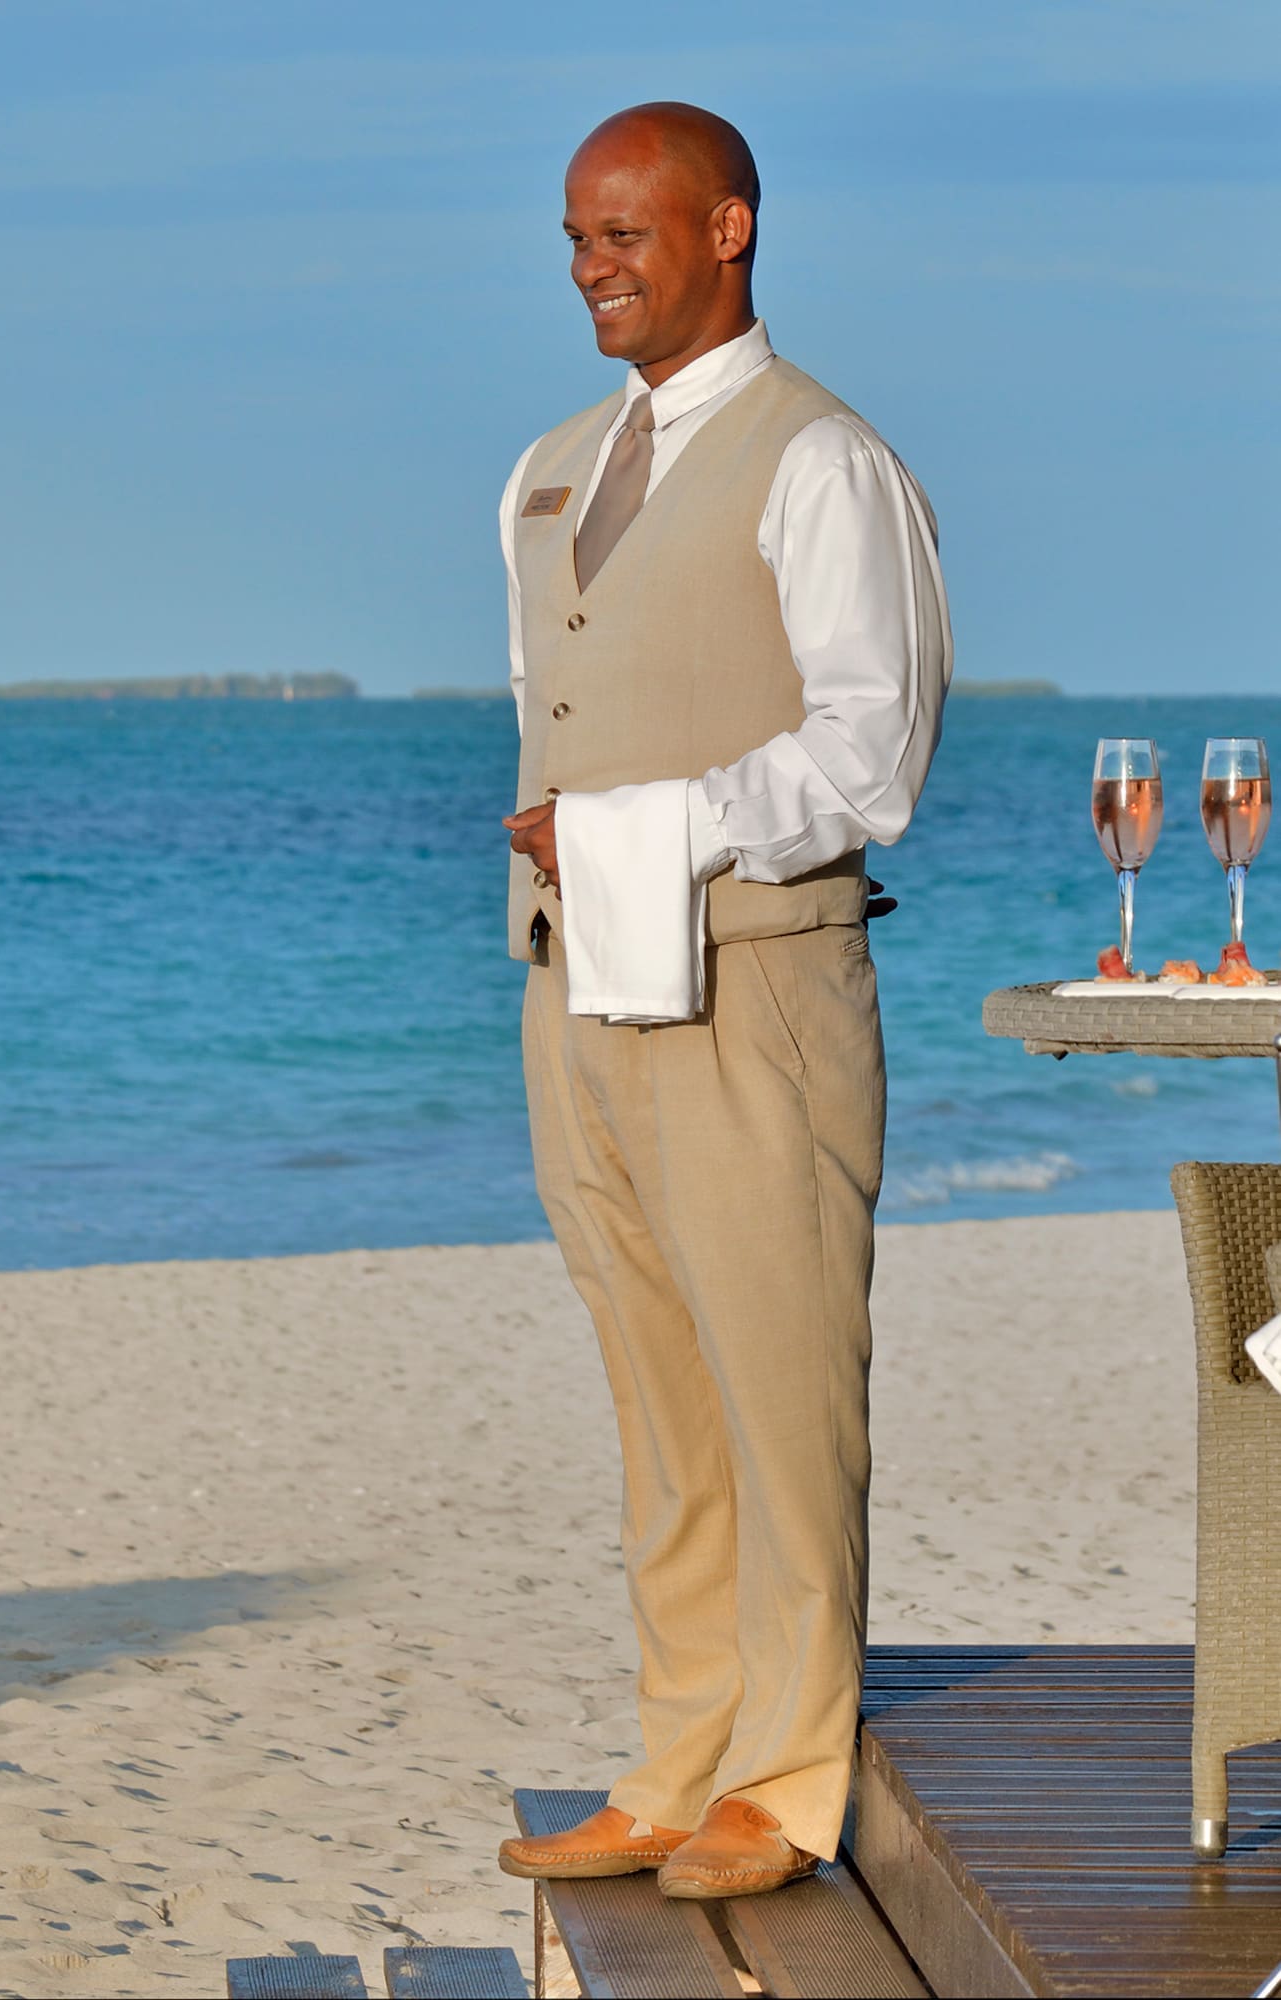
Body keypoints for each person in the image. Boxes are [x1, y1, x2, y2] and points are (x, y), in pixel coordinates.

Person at [494, 102, 951, 1900]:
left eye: (629, 234)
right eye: (577, 237)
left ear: (729, 228)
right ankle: (679, 1752)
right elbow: (569, 694)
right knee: (658, 1395)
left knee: (780, 1393)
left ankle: (787, 1770)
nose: (595, 267)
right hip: (574, 991)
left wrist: (645, 830)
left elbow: (870, 756)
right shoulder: (544, 464)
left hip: (753, 989)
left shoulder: (825, 462)